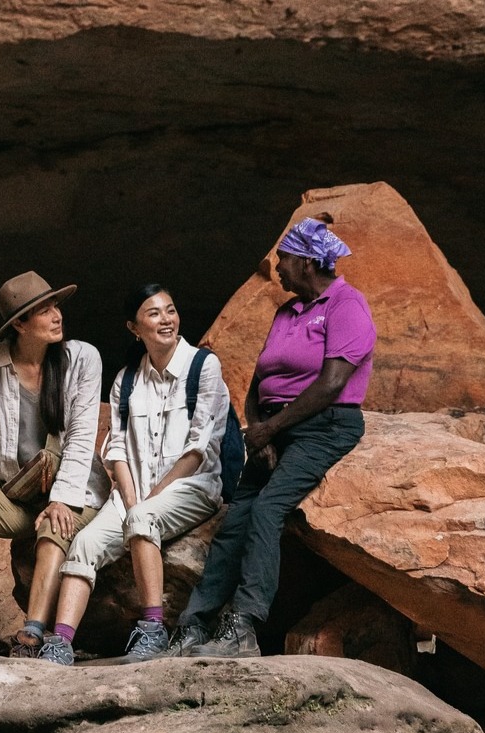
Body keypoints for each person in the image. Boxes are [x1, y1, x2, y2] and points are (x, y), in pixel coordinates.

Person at [169, 215, 376, 658]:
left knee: (267, 509)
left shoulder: (346, 305)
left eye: (282, 257)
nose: (275, 266)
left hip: (325, 425)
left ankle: (243, 627)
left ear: (305, 261)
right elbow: (261, 379)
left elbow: (332, 383)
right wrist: (257, 431)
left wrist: (272, 429)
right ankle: (193, 627)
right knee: (236, 520)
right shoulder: (287, 312)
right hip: (276, 427)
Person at [36, 283, 230, 665]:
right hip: (134, 494)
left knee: (142, 517)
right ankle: (59, 644)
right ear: (134, 328)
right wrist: (129, 496)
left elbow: (198, 448)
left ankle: (153, 629)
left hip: (193, 487)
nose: (166, 320)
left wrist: (148, 500)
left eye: (170, 310)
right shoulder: (126, 380)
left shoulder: (203, 366)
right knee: (84, 543)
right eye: (154, 313)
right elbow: (118, 448)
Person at [0, 271, 110, 656]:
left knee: (54, 525)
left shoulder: (82, 358)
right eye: (43, 311)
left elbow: (81, 437)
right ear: (19, 324)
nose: (56, 316)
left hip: (77, 493)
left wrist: (61, 499)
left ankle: (31, 635)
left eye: (55, 306)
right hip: (19, 493)